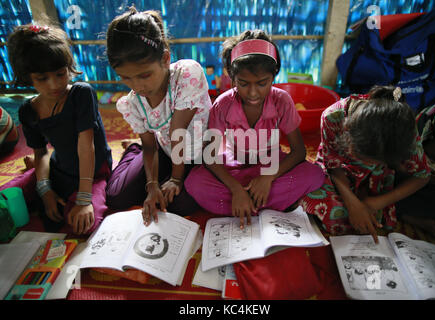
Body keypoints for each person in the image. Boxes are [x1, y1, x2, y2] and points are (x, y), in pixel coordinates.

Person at [184, 30, 325, 229]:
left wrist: (268, 178)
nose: (252, 92)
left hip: (271, 165)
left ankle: (245, 206)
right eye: (243, 83)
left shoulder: (282, 100)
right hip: (234, 169)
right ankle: (257, 203)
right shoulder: (223, 104)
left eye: (262, 83)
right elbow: (210, 156)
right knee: (194, 182)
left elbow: (299, 151)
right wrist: (235, 189)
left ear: (274, 76)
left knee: (315, 174)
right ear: (232, 78)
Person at [104, 7, 211, 225]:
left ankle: (170, 178)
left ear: (165, 58)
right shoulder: (133, 101)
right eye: (126, 78)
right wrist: (152, 186)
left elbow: (178, 132)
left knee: (180, 205)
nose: (137, 85)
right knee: (116, 196)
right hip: (165, 149)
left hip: (201, 151)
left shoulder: (187, 75)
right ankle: (132, 152)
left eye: (144, 75)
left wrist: (175, 179)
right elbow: (150, 146)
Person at [3, 23, 112, 235]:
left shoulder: (81, 94)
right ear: (28, 77)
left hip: (93, 171)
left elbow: (86, 146)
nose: (54, 85)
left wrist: (83, 198)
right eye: (42, 79)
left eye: (60, 74)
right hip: (58, 169)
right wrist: (45, 190)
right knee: (6, 198)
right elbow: (41, 152)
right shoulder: (28, 110)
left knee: (83, 224)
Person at [299, 86, 431, 243]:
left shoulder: (403, 132)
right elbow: (332, 165)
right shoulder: (333, 116)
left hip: (379, 178)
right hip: (338, 172)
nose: (365, 163)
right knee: (314, 200)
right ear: (347, 130)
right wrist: (352, 202)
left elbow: (423, 176)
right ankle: (400, 213)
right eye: (361, 156)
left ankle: (395, 211)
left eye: (374, 160)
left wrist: (377, 202)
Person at [396, 62, 435, 236]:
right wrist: (422, 176)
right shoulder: (429, 120)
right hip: (401, 171)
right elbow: (401, 159)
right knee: (386, 192)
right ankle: (407, 215)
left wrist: (430, 177)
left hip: (424, 176)